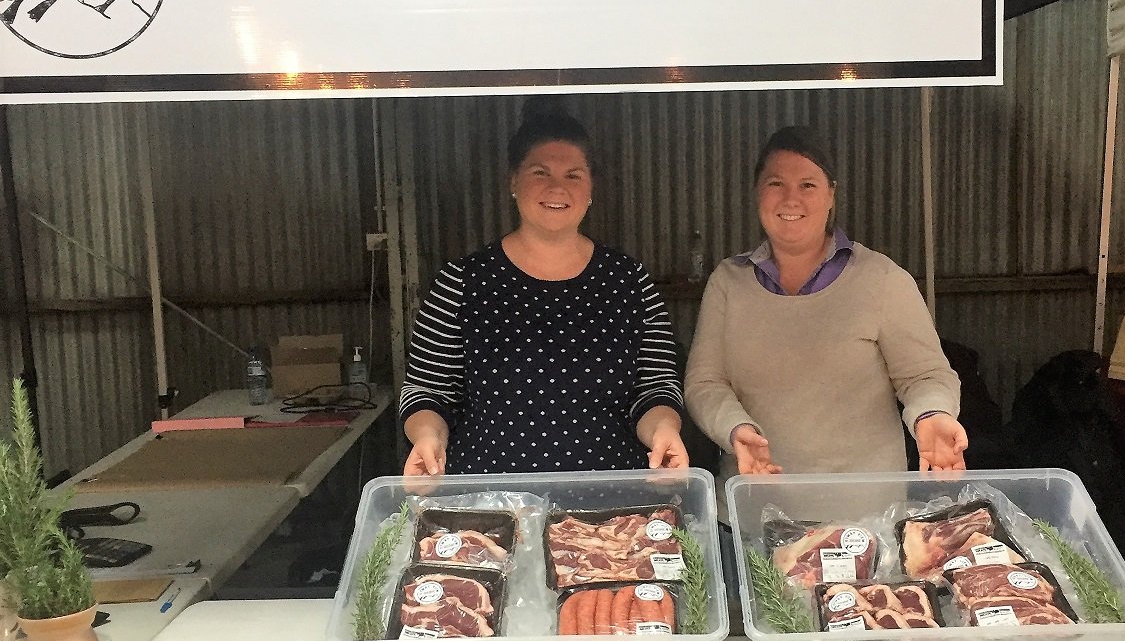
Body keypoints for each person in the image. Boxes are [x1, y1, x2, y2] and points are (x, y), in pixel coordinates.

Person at [400, 111, 688, 477]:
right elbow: (427, 391)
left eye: (573, 175)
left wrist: (664, 430)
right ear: (513, 181)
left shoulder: (629, 280)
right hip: (491, 503)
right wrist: (428, 437)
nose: (557, 188)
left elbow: (656, 387)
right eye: (540, 173)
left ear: (590, 189)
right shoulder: (461, 281)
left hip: (612, 507)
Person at [685, 126, 966, 482]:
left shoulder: (881, 279)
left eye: (808, 185)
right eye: (775, 184)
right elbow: (704, 383)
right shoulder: (728, 282)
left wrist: (931, 415)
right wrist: (734, 427)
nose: (791, 199)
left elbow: (924, 375)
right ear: (757, 192)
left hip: (864, 518)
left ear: (831, 195)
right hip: (752, 510)